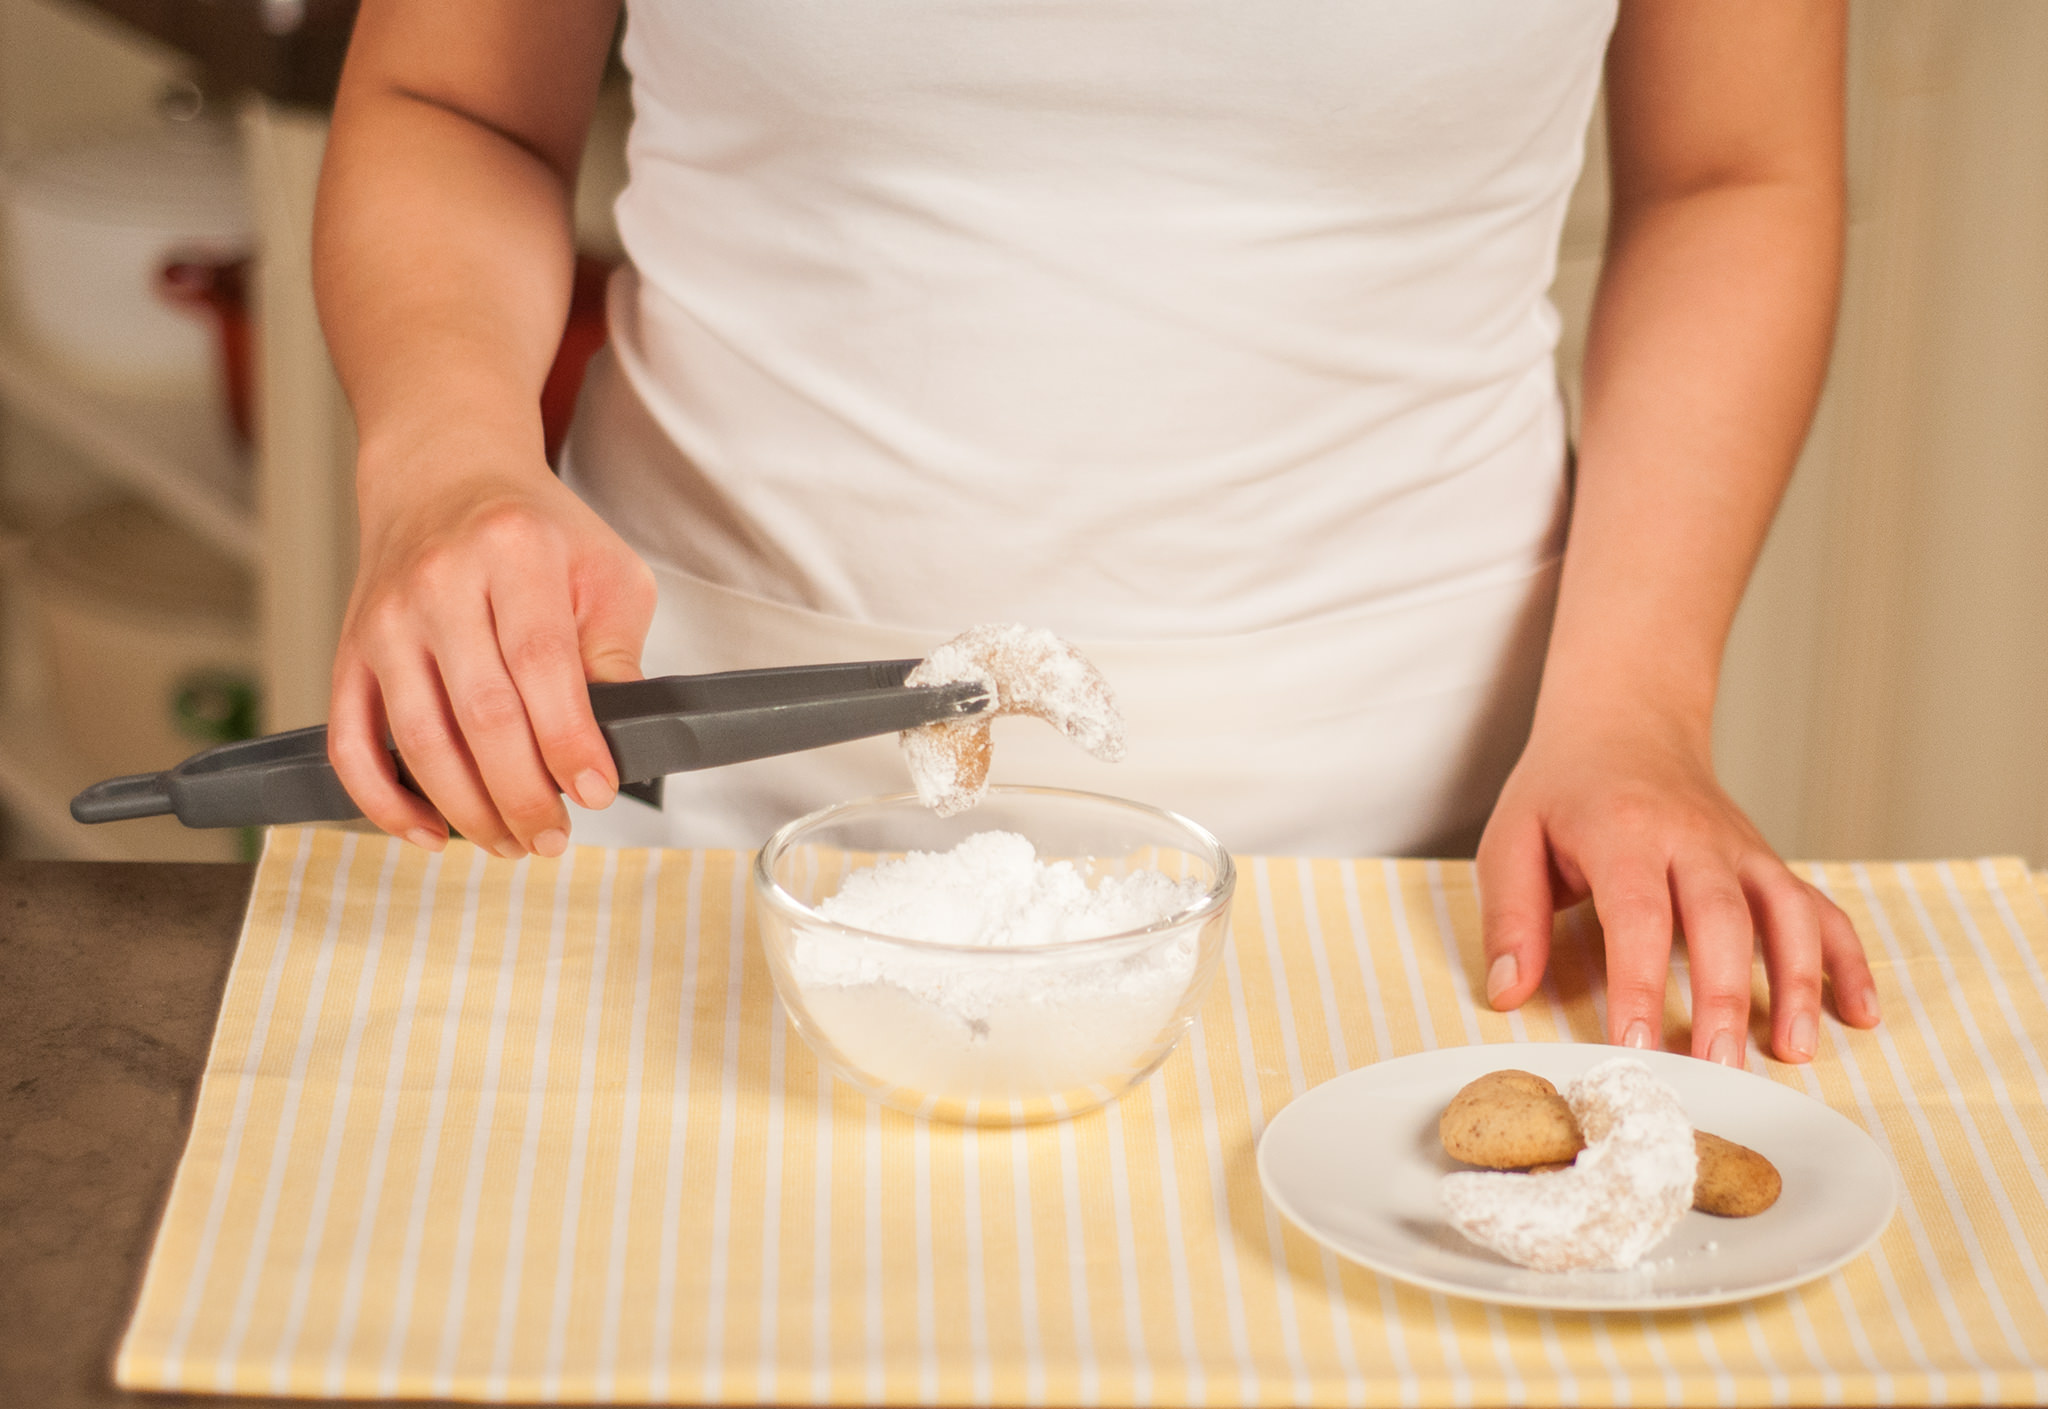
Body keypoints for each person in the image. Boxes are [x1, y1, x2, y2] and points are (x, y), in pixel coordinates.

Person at [312, 0, 1882, 1068]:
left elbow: (1731, 175)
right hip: (672, 805)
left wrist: (1640, 709)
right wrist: (444, 464)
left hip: (1433, 870)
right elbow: (455, 98)